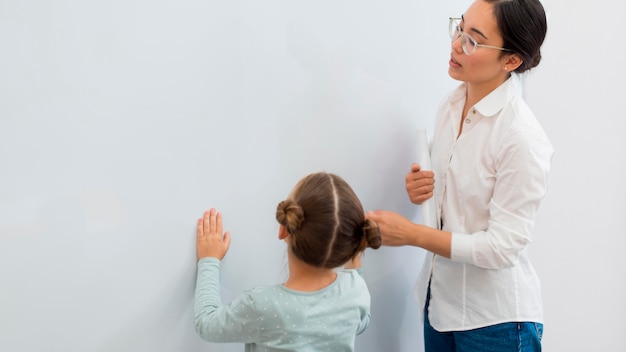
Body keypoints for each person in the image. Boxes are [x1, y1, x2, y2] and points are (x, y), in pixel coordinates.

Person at [365, 0, 552, 351]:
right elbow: (453, 196)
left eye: (473, 41)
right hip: (438, 309)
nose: (455, 44)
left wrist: (414, 235)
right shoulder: (450, 105)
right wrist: (421, 187)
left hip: (497, 324)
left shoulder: (522, 137)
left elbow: (501, 248)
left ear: (510, 61)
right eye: (459, 28)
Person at [194, 172, 382, 351]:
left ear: (283, 230)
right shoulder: (355, 290)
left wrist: (209, 260)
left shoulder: (262, 305)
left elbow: (207, 323)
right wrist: (354, 254)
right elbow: (360, 323)